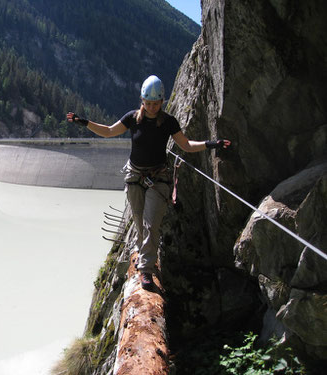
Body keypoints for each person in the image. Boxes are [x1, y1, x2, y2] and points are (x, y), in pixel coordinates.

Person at [66, 75, 231, 290]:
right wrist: (84, 122)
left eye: (156, 103)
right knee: (138, 221)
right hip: (135, 177)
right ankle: (143, 254)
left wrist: (211, 144)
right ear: (142, 100)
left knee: (150, 224)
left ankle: (146, 270)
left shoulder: (169, 121)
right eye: (149, 103)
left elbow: (186, 145)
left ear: (162, 101)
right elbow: (108, 132)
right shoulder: (133, 118)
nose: (152, 107)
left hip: (158, 178)